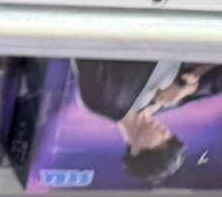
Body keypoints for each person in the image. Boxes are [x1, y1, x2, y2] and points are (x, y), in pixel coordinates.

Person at [73, 59, 222, 186]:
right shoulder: (165, 103)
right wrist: (189, 88)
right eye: (169, 138)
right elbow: (216, 83)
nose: (166, 133)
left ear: (136, 150)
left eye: (161, 143)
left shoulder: (100, 101)